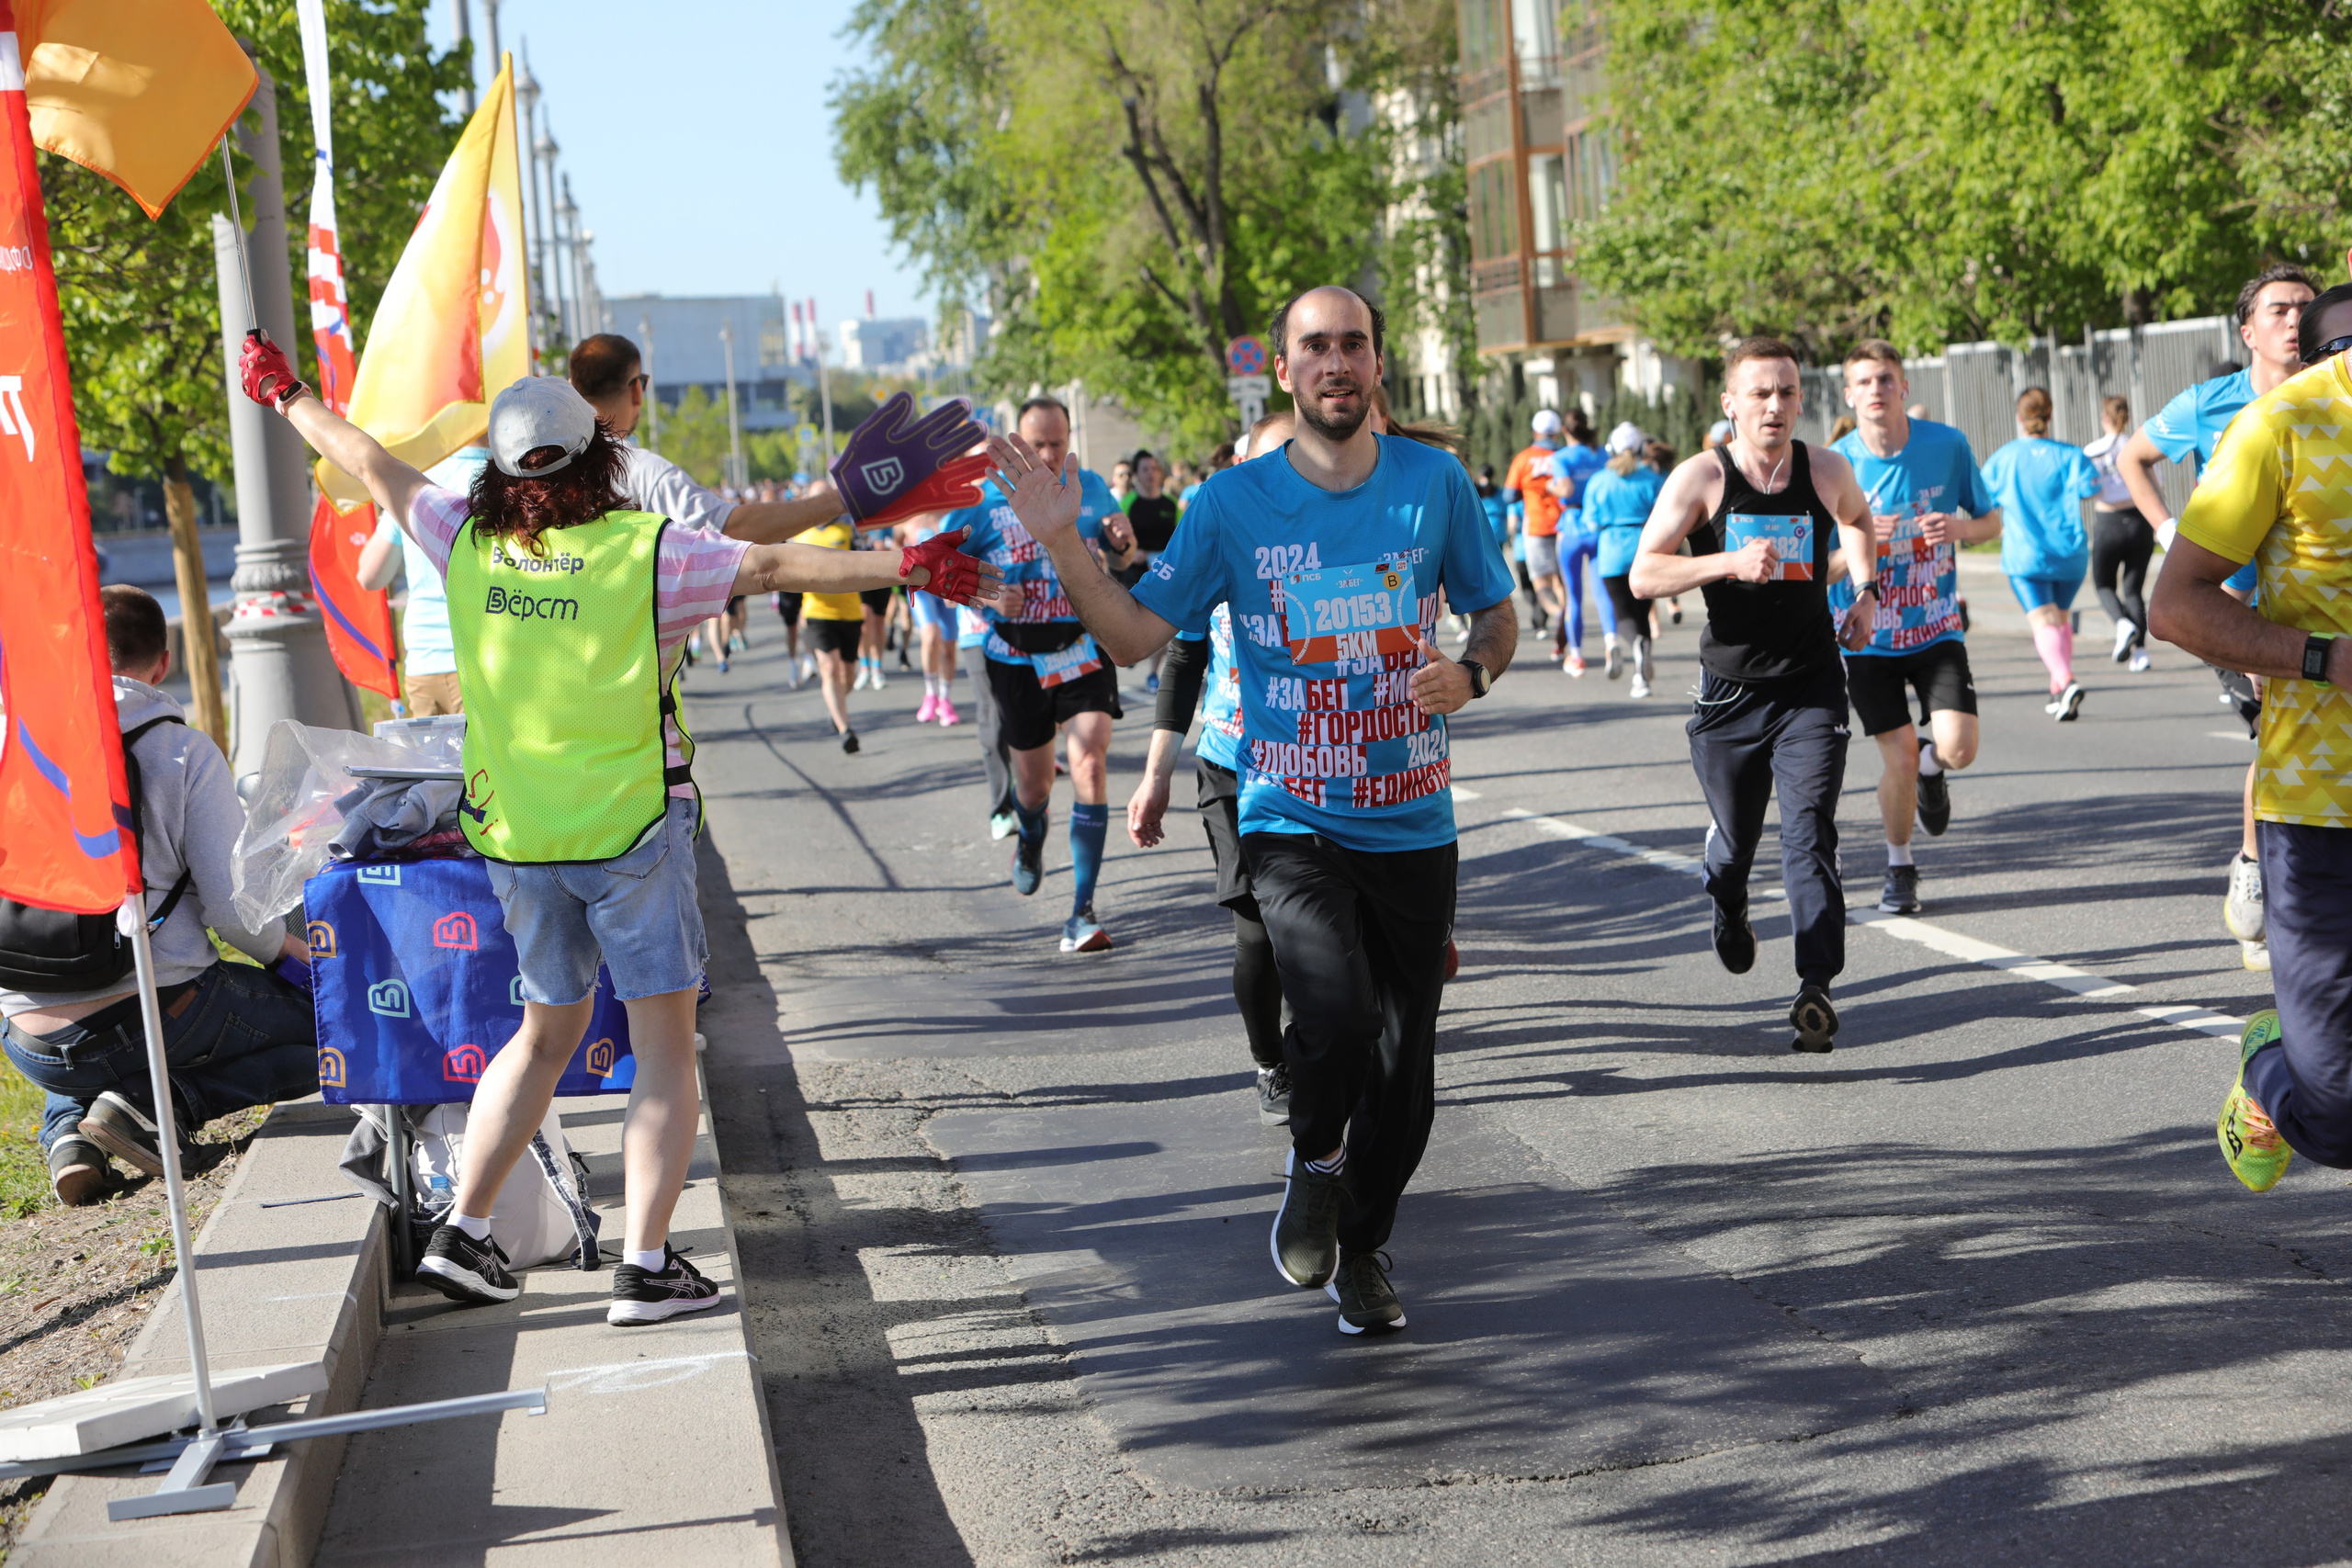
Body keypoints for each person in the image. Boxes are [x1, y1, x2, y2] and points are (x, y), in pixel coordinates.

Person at [240, 339, 998, 1321]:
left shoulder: (460, 541)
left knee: (543, 1034)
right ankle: (644, 1264)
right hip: (635, 833)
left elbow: (370, 461)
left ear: (505, 470)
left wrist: (286, 392)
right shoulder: (650, 555)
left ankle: (465, 1236)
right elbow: (768, 561)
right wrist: (903, 561)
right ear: (602, 458)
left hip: (518, 840)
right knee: (665, 1049)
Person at [989, 285, 1518, 1336]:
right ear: (1283, 369)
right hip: (1289, 812)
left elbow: (1494, 612)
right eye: (1313, 347)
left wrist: (1474, 672)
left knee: (1405, 1086)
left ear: (1377, 366)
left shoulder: (1435, 484)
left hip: (1414, 819)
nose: (1335, 363)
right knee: (1330, 1014)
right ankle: (1315, 1158)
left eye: (1352, 346)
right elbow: (1139, 637)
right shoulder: (1230, 506)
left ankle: (1363, 1246)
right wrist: (1059, 543)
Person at [0, 586, 320, 1206]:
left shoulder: (16, 746)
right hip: (159, 1012)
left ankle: (70, 1134)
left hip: (27, 1037)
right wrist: (287, 954)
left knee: (79, 1000)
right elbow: (232, 910)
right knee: (335, 1035)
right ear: (163, 662)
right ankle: (161, 1105)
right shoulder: (183, 750)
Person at [2147, 281, 2352, 1196]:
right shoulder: (2281, 427)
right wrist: (2321, 659)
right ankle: (2269, 1069)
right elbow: (2175, 604)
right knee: (2339, 1113)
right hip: (2320, 810)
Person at [1630, 336, 1877, 1054]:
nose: (1776, 405)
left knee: (1808, 833)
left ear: (1803, 400)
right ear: (1730, 403)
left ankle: (1815, 986)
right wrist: (1729, 561)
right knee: (1737, 846)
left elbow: (1860, 523)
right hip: (1731, 694)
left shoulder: (1826, 469)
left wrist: (1864, 591)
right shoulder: (1702, 478)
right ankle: (1728, 899)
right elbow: (1644, 574)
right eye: (1761, 393)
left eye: (1789, 392)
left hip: (1812, 684)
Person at [2120, 267, 2315, 971]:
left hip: (2317, 598)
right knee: (2277, 721)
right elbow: (2133, 457)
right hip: (2233, 606)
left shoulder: (2333, 399)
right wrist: (2170, 531)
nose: (2294, 320)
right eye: (2279, 309)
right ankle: (2258, 869)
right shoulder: (2213, 402)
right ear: (2248, 331)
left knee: (2293, 727)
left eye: (2305, 308)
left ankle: (2258, 862)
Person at [1129, 409, 1300, 1125]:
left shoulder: (1347, 528)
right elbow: (1183, 656)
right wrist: (1156, 772)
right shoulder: (1218, 531)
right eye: (1269, 461)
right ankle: (1271, 1062)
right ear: (1240, 466)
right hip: (1232, 763)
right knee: (1258, 926)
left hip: (1327, 762)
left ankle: (1331, 1037)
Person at [945, 396, 1136, 954]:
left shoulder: (1091, 486)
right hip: (1015, 657)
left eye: (1058, 442)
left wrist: (1122, 549)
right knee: (1033, 785)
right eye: (1038, 443)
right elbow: (940, 567)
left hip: (1081, 645)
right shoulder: (984, 497)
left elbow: (1123, 560)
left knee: (1090, 760)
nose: (1049, 454)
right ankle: (1030, 834)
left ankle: (1082, 911)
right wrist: (988, 593)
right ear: (1015, 443)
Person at [1830, 341, 2001, 915]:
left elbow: (1990, 520)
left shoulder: (1946, 445)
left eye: (1886, 379)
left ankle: (1935, 770)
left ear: (1903, 388)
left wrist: (1957, 528)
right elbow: (1817, 566)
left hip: (1936, 627)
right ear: (1849, 395)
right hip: (1866, 634)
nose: (1876, 389)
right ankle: (1899, 865)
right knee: (1897, 755)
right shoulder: (1835, 464)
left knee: (1958, 748)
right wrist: (1861, 543)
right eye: (1864, 382)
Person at [1981, 388, 2101, 721]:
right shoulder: (2072, 455)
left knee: (2041, 621)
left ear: (2019, 418)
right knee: (2060, 619)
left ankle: (2065, 679)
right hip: (2070, 554)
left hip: (2025, 556)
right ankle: (2058, 692)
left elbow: (1981, 500)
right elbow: (2093, 488)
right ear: (2050, 415)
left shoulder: (2004, 458)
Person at [356, 446, 486, 714]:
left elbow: (370, 576)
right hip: (482, 659)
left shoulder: (413, 483)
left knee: (431, 756)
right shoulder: (504, 479)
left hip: (422, 660)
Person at [1584, 423, 1667, 697]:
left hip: (1611, 554)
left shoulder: (1599, 481)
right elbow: (1666, 515)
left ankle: (1635, 647)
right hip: (1645, 550)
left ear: (1611, 449)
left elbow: (1591, 522)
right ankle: (1641, 674)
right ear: (1642, 448)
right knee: (1643, 612)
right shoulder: (1652, 478)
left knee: (1622, 615)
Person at [2084, 394, 2154, 672]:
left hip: (2108, 520)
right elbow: (2155, 484)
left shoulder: (2092, 450)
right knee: (2134, 589)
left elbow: (2087, 489)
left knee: (2103, 584)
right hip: (2139, 520)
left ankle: (2122, 624)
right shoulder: (2139, 446)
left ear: (2105, 418)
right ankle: (2141, 653)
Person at [800, 492, 871, 752]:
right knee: (829, 669)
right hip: (818, 613)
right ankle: (845, 729)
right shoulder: (799, 533)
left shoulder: (847, 527)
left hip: (850, 613)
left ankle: (836, 707)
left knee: (848, 677)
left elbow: (865, 558)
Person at [1545, 411, 1610, 675]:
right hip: (1599, 525)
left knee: (1573, 595)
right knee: (1602, 590)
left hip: (1572, 524)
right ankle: (1611, 643)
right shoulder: (1603, 454)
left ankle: (1577, 655)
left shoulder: (1560, 457)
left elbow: (1567, 489)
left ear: (1565, 430)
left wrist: (1551, 487)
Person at [1505, 410, 1569, 648]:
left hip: (1537, 527)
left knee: (1540, 581)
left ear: (1534, 431)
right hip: (1565, 526)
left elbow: (1509, 495)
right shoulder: (1564, 456)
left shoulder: (1524, 459)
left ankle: (1558, 613)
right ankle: (1568, 613)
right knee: (1560, 581)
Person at [902, 511, 963, 726]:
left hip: (948, 590)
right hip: (922, 591)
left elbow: (963, 553)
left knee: (948, 649)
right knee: (929, 636)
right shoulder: (911, 520)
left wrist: (958, 587)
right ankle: (931, 694)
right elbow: (896, 550)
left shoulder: (953, 517)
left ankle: (945, 700)